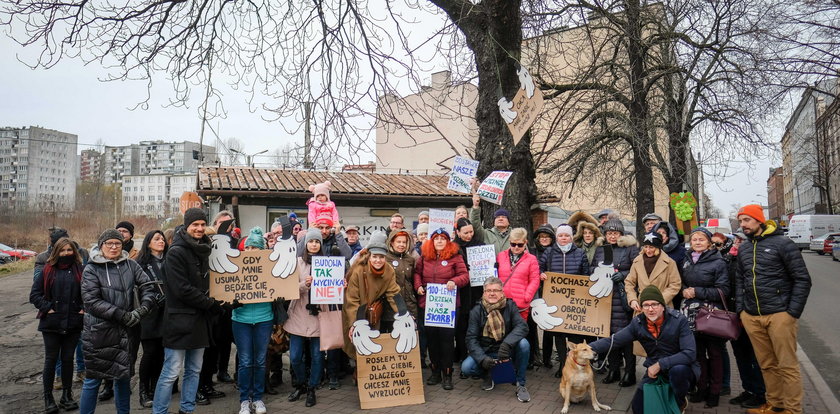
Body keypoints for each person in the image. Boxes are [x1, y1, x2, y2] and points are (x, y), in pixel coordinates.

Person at [735, 205, 811, 414]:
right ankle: (775, 405)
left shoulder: (783, 244)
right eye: (741, 220)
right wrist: (742, 309)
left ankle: (793, 410)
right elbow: (740, 280)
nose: (743, 224)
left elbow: (803, 279)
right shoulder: (744, 248)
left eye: (747, 220)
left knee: (787, 366)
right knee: (767, 364)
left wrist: (791, 313)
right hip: (752, 316)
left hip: (779, 315)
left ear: (759, 220)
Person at [153, 208, 225, 414]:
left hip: (199, 322)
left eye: (203, 224)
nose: (200, 228)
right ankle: (159, 411)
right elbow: (182, 289)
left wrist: (225, 299)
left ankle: (187, 409)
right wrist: (211, 304)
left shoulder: (204, 249)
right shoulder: (176, 252)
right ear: (187, 226)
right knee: (171, 372)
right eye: (195, 224)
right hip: (179, 321)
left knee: (194, 371)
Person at [589, 285, 699, 414]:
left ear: (663, 306)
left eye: (654, 304)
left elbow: (690, 353)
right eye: (646, 305)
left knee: (678, 371)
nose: (650, 309)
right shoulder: (638, 323)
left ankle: (679, 401)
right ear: (641, 307)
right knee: (638, 409)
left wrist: (660, 364)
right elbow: (614, 340)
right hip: (654, 370)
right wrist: (588, 348)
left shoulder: (679, 320)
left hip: (679, 367)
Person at [79, 229, 155, 414]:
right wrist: (121, 315)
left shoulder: (131, 265)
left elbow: (147, 286)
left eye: (118, 244)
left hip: (127, 332)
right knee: (93, 379)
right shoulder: (91, 268)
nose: (113, 247)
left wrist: (143, 308)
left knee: (123, 377)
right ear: (101, 245)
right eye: (109, 243)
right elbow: (91, 301)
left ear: (123, 245)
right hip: (99, 332)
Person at [30, 237, 85, 414]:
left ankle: (67, 396)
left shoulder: (80, 270)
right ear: (56, 252)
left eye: (69, 250)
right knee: (51, 360)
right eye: (63, 250)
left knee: (68, 360)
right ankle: (48, 398)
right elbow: (35, 295)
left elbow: (89, 292)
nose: (66, 254)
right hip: (52, 323)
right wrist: (48, 308)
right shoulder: (48, 269)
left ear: (74, 252)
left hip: (74, 322)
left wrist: (83, 308)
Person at [413, 228, 470, 390]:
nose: (439, 241)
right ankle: (435, 372)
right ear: (432, 241)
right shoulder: (424, 257)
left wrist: (454, 281)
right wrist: (418, 287)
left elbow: (465, 276)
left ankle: (447, 374)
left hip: (448, 306)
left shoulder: (455, 257)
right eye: (436, 238)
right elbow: (417, 274)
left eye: (443, 238)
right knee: (432, 340)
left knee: (446, 340)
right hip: (428, 305)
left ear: (448, 241)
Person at [461, 277, 531, 402]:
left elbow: (522, 326)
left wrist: (507, 344)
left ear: (502, 292)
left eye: (496, 290)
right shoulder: (476, 311)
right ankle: (488, 375)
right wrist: (482, 358)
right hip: (486, 351)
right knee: (466, 368)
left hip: (506, 350)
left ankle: (520, 384)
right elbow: (471, 338)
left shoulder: (510, 306)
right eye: (488, 290)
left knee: (524, 344)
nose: (492, 293)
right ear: (484, 293)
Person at [681, 227, 729, 408]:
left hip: (710, 314)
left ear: (709, 242)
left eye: (702, 239)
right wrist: (683, 290)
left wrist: (697, 291)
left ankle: (715, 391)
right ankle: (701, 387)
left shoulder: (718, 262)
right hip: (690, 314)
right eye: (694, 239)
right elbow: (682, 282)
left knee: (715, 353)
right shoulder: (686, 260)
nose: (698, 242)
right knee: (698, 354)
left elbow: (723, 290)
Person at [720, 233, 767, 409]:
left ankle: (760, 393)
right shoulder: (729, 258)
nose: (738, 242)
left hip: (750, 313)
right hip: (734, 314)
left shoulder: (753, 259)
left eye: (742, 240)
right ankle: (748, 389)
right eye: (737, 239)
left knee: (755, 356)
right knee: (740, 355)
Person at [591, 218, 639, 387]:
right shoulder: (601, 249)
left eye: (615, 233)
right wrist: (600, 273)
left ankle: (630, 372)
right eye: (609, 233)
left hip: (622, 298)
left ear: (621, 234)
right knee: (608, 335)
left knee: (626, 337)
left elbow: (637, 269)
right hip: (605, 298)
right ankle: (614, 369)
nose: (612, 236)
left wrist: (623, 274)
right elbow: (592, 269)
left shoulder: (630, 249)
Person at [538, 224, 589, 378]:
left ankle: (573, 364)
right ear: (557, 237)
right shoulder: (549, 252)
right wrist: (541, 274)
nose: (563, 238)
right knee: (559, 335)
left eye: (566, 236)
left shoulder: (580, 253)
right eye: (561, 236)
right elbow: (538, 267)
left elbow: (586, 275)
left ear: (571, 237)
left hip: (574, 302)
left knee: (574, 336)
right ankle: (562, 364)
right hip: (556, 300)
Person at [286, 228, 328, 408]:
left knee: (318, 357)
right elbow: (287, 288)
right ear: (306, 243)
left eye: (317, 242)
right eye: (311, 241)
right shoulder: (296, 263)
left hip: (319, 316)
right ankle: (301, 384)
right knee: (295, 357)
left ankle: (312, 388)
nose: (314, 244)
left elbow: (333, 288)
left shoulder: (328, 263)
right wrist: (304, 285)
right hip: (298, 315)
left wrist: (340, 283)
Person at [342, 232, 401, 358]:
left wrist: (404, 313)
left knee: (371, 346)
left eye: (381, 257)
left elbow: (394, 293)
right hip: (357, 310)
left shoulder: (389, 270)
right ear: (369, 256)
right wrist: (354, 323)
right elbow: (352, 300)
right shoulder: (358, 270)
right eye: (375, 257)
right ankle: (358, 374)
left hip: (372, 312)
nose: (378, 260)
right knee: (357, 346)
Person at [231, 228, 271, 414]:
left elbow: (281, 286)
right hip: (241, 319)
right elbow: (225, 290)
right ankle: (244, 400)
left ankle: (258, 398)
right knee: (245, 361)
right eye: (248, 247)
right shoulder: (235, 266)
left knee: (260, 361)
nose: (250, 250)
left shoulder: (270, 268)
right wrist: (231, 302)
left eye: (255, 247)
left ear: (262, 249)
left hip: (264, 318)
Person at [134, 230, 169, 409]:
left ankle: (156, 390)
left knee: (162, 355)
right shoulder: (140, 263)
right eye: (156, 239)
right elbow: (137, 288)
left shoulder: (169, 260)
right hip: (149, 314)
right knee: (149, 354)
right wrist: (152, 298)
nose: (161, 241)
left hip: (167, 314)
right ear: (148, 243)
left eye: (162, 238)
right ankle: (143, 391)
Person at [453, 218, 484, 367]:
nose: (469, 235)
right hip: (461, 291)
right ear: (458, 232)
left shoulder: (479, 245)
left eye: (471, 231)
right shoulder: (453, 247)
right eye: (465, 233)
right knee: (461, 326)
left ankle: (475, 355)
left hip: (477, 291)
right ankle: (461, 354)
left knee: (476, 324)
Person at [625, 231, 681, 311]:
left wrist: (660, 300)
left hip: (663, 307)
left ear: (658, 248)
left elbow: (675, 284)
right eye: (646, 247)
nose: (648, 250)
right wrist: (632, 299)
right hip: (642, 307)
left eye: (651, 247)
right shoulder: (637, 261)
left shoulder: (669, 263)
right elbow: (629, 282)